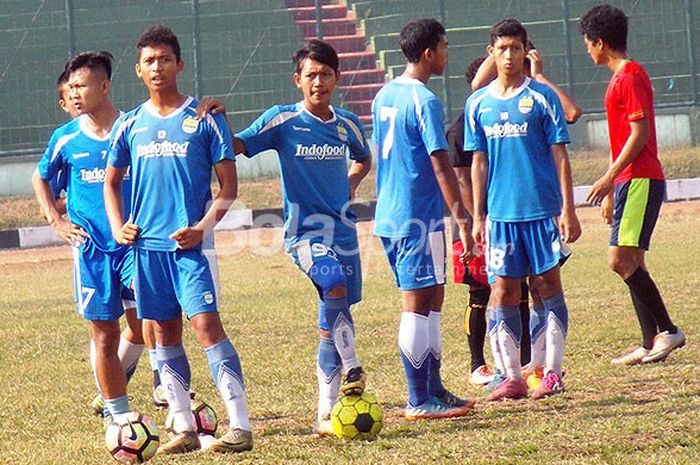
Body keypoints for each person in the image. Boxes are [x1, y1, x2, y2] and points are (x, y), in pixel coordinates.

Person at [104, 25, 252, 454]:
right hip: (146, 250)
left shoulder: (205, 118)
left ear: (179, 65)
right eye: (149, 61)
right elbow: (111, 183)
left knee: (206, 326)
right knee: (163, 335)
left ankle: (240, 426)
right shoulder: (130, 124)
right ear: (138, 69)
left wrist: (201, 228)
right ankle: (184, 427)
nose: (157, 67)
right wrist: (118, 225)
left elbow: (227, 189)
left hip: (190, 250)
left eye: (164, 59)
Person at [230, 39, 371, 436]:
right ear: (298, 80)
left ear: (336, 78)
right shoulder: (283, 121)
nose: (319, 81)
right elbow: (239, 144)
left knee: (333, 313)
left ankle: (325, 414)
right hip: (305, 233)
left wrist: (352, 182)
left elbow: (364, 157)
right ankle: (354, 364)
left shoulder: (346, 124)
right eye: (311, 75)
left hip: (342, 231)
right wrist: (215, 120)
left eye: (326, 74)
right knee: (333, 281)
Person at [466, 18, 581, 400]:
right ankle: (511, 376)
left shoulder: (542, 99)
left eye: (516, 48)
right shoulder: (478, 104)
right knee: (503, 290)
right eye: (502, 48)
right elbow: (478, 161)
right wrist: (479, 215)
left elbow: (560, 156)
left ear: (525, 50)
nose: (510, 55)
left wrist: (569, 209)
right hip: (500, 216)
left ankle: (551, 372)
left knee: (547, 286)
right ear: (492, 52)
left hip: (541, 211)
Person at [32, 52, 145, 423]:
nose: (75, 93)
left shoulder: (133, 127)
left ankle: (171, 397)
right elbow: (41, 177)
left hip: (132, 243)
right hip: (91, 250)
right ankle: (119, 415)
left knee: (148, 325)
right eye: (72, 87)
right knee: (105, 334)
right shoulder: (65, 138)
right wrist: (56, 221)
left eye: (82, 85)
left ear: (105, 86)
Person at [372, 18, 475, 420]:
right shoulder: (425, 100)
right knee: (417, 303)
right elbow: (440, 163)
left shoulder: (384, 95)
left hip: (394, 214)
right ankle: (419, 399)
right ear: (429, 53)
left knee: (433, 298)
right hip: (418, 217)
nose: (447, 53)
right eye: (445, 46)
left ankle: (433, 387)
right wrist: (462, 217)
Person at [580, 4, 685, 365]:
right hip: (628, 181)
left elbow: (639, 134)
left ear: (601, 42)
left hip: (640, 179)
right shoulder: (618, 78)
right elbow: (620, 137)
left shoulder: (630, 75)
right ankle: (649, 340)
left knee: (619, 260)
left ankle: (669, 330)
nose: (587, 49)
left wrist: (608, 178)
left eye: (588, 42)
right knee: (633, 260)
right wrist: (612, 188)